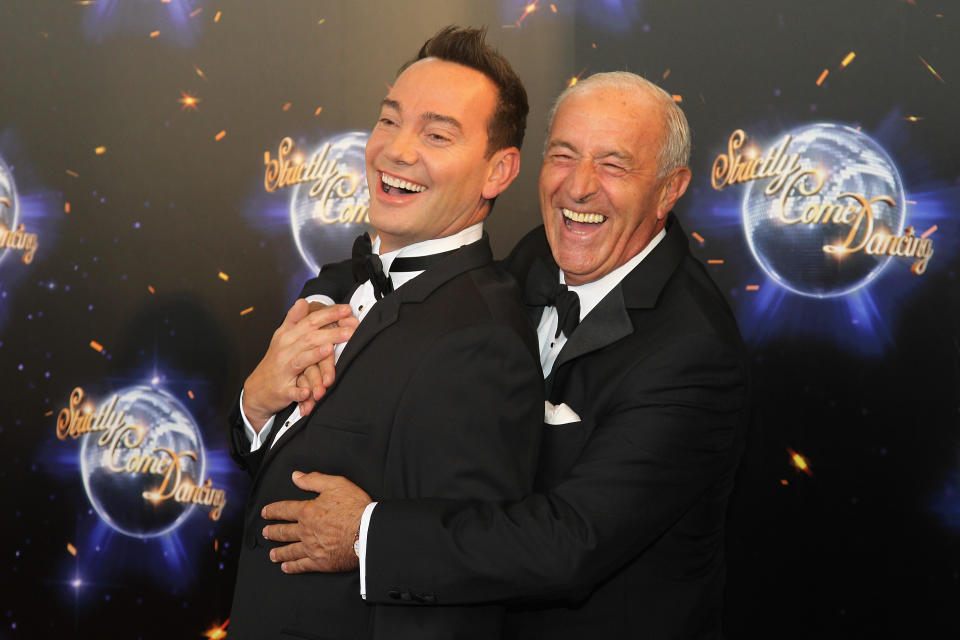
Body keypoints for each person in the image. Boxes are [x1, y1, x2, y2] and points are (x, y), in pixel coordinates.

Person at [262, 70, 751, 639]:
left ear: (670, 189)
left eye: (613, 165)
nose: (579, 187)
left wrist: (367, 534)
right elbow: (404, 263)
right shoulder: (540, 252)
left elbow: (570, 541)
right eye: (564, 156)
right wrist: (321, 301)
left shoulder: (693, 353)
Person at [227, 26, 544, 639]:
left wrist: (369, 533)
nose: (395, 151)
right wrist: (255, 404)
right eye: (389, 120)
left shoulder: (484, 339)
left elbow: (458, 585)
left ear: (498, 171)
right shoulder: (336, 280)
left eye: (436, 134)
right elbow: (275, 467)